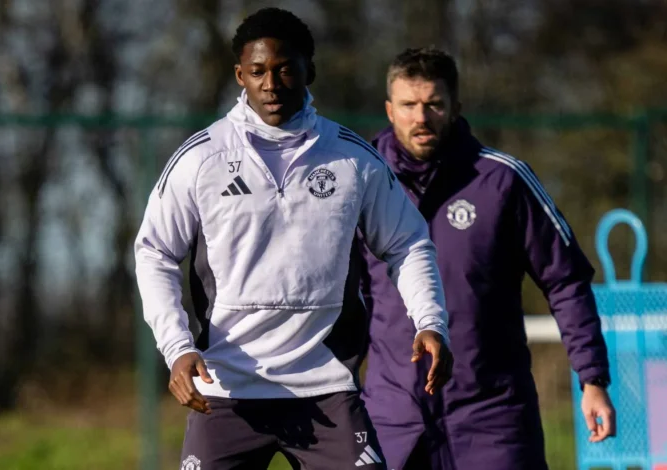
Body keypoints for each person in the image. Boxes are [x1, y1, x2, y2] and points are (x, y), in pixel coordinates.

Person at [134, 10, 453, 470]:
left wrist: (430, 321)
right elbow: (155, 253)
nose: (271, 84)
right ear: (240, 75)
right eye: (257, 71)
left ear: (309, 70)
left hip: (327, 388)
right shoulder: (201, 158)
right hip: (227, 389)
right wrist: (177, 347)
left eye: (284, 69)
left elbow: (408, 243)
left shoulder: (352, 159)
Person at [359, 48, 616, 470]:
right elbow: (338, 295)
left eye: (434, 104)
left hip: (493, 418)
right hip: (394, 419)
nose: (421, 117)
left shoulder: (503, 180)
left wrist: (592, 379)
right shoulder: (362, 181)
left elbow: (566, 280)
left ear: (455, 107)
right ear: (389, 110)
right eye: (408, 105)